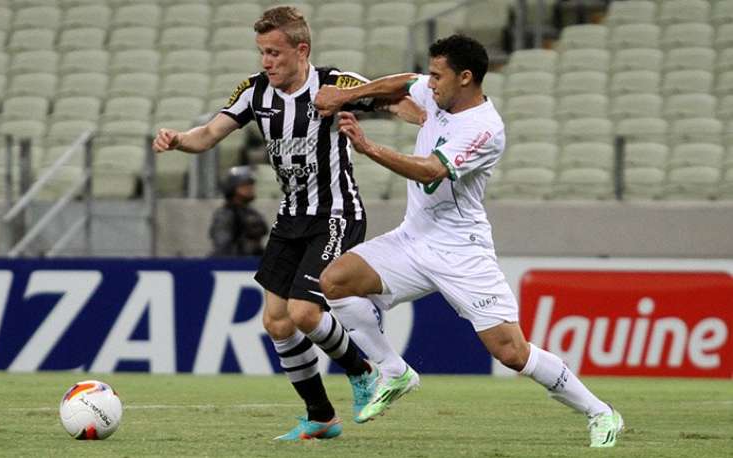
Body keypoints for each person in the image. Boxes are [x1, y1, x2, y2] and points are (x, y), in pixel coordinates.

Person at [315, 34, 624, 448]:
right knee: (336, 281)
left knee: (512, 352)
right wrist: (348, 95)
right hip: (414, 237)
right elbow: (405, 82)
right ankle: (394, 370)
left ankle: (600, 412)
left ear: (465, 78)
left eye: (438, 76)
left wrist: (368, 146)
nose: (431, 83)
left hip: (461, 250)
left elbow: (429, 171)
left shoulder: (484, 129)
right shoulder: (436, 93)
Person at [152, 6, 424, 441]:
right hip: (291, 217)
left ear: (302, 51)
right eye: (262, 52)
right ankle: (321, 415)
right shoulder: (254, 92)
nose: (266, 61)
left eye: (275, 53)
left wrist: (434, 120)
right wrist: (178, 140)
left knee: (304, 311)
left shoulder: (335, 84)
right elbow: (207, 134)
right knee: (277, 322)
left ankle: (366, 371)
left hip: (336, 213)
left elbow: (399, 103)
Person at [208, 166, 268, 257]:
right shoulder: (225, 214)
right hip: (234, 265)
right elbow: (223, 247)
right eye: (245, 185)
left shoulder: (252, 213)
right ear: (233, 188)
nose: (250, 188)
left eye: (251, 185)